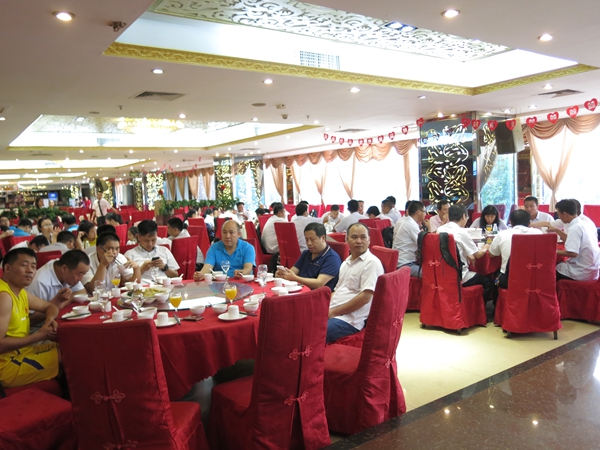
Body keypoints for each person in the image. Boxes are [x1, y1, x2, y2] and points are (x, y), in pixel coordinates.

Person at [0, 248, 60, 389]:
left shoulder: (20, 292)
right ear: (7, 268)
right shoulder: (4, 297)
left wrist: (49, 321)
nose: (30, 271)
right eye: (24, 265)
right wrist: (39, 336)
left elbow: (50, 307)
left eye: (33, 266)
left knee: (69, 345)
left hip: (23, 351)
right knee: (70, 355)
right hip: (7, 365)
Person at [327, 223, 384, 343]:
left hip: (350, 320)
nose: (359, 241)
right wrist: (323, 306)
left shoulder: (371, 263)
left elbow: (365, 297)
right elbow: (337, 290)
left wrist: (333, 312)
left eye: (363, 237)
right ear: (346, 239)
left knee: (312, 330)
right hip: (334, 311)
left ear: (369, 240)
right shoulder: (346, 262)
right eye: (354, 237)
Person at [437, 205, 494, 303]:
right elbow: (478, 255)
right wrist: (487, 246)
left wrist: (467, 254)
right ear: (464, 216)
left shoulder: (440, 229)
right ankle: (478, 309)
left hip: (443, 274)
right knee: (488, 282)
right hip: (460, 276)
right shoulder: (461, 232)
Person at [26, 250, 90, 326]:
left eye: (84, 274)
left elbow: (82, 292)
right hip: (39, 328)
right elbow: (29, 320)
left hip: (56, 320)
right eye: (80, 274)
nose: (81, 279)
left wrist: (63, 302)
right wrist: (56, 303)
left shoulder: (62, 268)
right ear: (64, 268)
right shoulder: (40, 282)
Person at [276, 223, 341, 291]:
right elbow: (293, 271)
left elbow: (319, 283)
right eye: (306, 240)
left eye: (312, 240)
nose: (309, 243)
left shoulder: (332, 258)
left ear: (323, 238)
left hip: (317, 294)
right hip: (301, 289)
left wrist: (295, 278)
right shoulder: (306, 253)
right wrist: (283, 274)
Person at [489, 209, 542, 288]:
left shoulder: (502, 234)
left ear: (511, 222)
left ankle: (497, 295)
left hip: (508, 280)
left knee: (494, 276)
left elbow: (491, 254)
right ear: (529, 223)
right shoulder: (538, 233)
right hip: (534, 278)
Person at [555, 199, 600, 281]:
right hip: (593, 270)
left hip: (581, 272)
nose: (559, 217)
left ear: (564, 214)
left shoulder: (574, 228)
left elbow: (573, 253)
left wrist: (554, 251)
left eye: (559, 214)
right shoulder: (584, 224)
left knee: (550, 268)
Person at [393, 201, 427, 276]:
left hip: (406, 261)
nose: (426, 214)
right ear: (418, 212)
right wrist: (429, 227)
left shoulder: (409, 221)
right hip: (405, 264)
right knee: (431, 273)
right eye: (424, 212)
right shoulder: (411, 224)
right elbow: (425, 244)